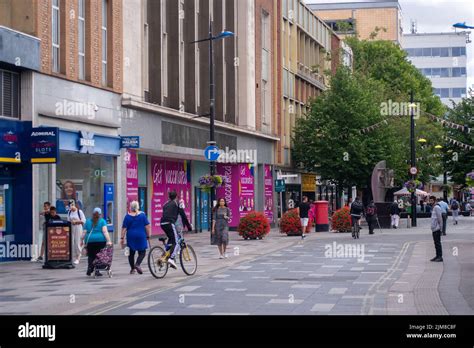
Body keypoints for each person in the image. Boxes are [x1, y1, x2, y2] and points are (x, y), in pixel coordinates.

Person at [160, 191, 192, 269]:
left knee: (171, 239)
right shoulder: (177, 204)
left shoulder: (165, 204)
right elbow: (183, 216)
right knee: (176, 241)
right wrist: (189, 227)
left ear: (169, 197)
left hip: (162, 223)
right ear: (176, 197)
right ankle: (171, 258)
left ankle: (164, 255)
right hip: (170, 223)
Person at [121, 201, 151, 275]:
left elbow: (124, 228)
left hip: (131, 236)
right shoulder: (142, 215)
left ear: (131, 207)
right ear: (138, 207)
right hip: (141, 235)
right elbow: (147, 226)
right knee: (142, 252)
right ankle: (137, 264)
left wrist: (122, 238)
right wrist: (148, 235)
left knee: (131, 253)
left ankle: (132, 269)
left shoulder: (127, 216)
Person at [81, 208, 113, 276]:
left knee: (90, 255)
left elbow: (84, 232)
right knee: (99, 256)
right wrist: (109, 240)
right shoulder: (102, 221)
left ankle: (90, 268)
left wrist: (81, 240)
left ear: (93, 213)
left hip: (89, 241)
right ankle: (97, 271)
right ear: (100, 214)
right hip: (100, 241)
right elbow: (105, 232)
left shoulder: (88, 221)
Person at [67, 199, 86, 265]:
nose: (71, 207)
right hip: (72, 227)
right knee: (71, 242)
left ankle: (78, 257)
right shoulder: (69, 212)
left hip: (78, 227)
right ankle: (72, 256)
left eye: (72, 205)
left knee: (77, 242)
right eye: (70, 206)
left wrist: (76, 221)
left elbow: (83, 220)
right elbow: (68, 220)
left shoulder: (79, 212)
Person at [429, 196, 443, 262]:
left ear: (435, 200)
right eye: (430, 200)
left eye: (432, 200)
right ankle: (437, 256)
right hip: (434, 229)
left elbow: (440, 218)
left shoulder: (437, 207)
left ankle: (440, 257)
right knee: (436, 243)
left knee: (438, 243)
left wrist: (440, 228)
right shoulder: (434, 207)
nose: (430, 202)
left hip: (437, 229)